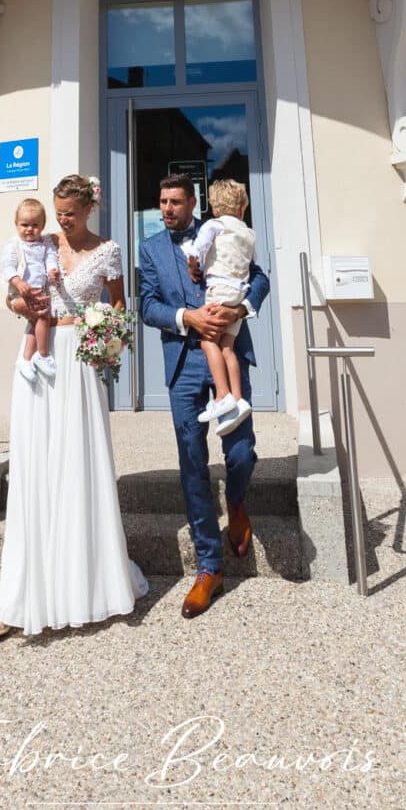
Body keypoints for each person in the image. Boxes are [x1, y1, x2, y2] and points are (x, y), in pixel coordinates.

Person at [0, 173, 148, 640]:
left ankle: (87, 586)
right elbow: (14, 292)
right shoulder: (43, 242)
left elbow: (119, 308)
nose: (61, 221)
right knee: (35, 465)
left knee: (77, 462)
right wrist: (21, 305)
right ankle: (20, 595)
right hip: (41, 346)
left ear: (89, 210)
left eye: (69, 214)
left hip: (81, 357)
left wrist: (105, 339)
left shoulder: (108, 252)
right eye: (58, 214)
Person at [139, 173, 270, 619]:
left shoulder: (223, 227)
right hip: (184, 360)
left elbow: (261, 278)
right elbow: (147, 304)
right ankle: (209, 567)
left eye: (175, 201)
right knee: (192, 461)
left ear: (194, 202)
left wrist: (239, 307)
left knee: (241, 451)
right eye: (162, 201)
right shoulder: (151, 249)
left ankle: (236, 502)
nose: (167, 208)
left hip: (230, 348)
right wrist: (187, 317)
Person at [186, 178, 255, 431]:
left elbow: (197, 250)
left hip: (219, 289)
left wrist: (194, 266)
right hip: (239, 292)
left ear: (213, 208)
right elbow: (251, 261)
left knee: (208, 341)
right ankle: (238, 399)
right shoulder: (248, 232)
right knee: (228, 346)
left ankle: (222, 396)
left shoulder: (213, 225)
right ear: (242, 208)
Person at [0, 197, 62, 383]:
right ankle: (42, 355)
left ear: (43, 225)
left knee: (36, 322)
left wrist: (53, 269)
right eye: (24, 225)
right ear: (16, 224)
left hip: (38, 291)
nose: (29, 229)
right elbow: (8, 266)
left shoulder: (45, 243)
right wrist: (18, 281)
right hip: (21, 291)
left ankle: (26, 359)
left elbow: (50, 257)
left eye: (35, 225)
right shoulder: (14, 244)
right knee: (42, 317)